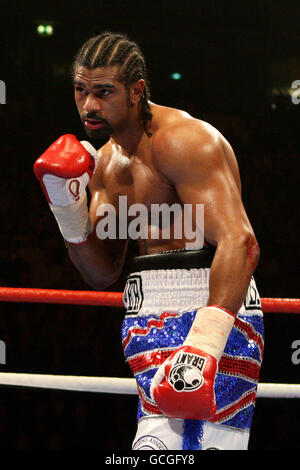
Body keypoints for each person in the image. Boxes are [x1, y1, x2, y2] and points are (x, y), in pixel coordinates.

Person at [34, 31, 264, 450]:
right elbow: (101, 273)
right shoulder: (107, 162)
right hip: (145, 317)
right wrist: (67, 212)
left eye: (104, 92)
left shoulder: (184, 141)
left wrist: (203, 346)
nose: (89, 105)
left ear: (137, 90)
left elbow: (241, 243)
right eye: (81, 90)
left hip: (213, 310)